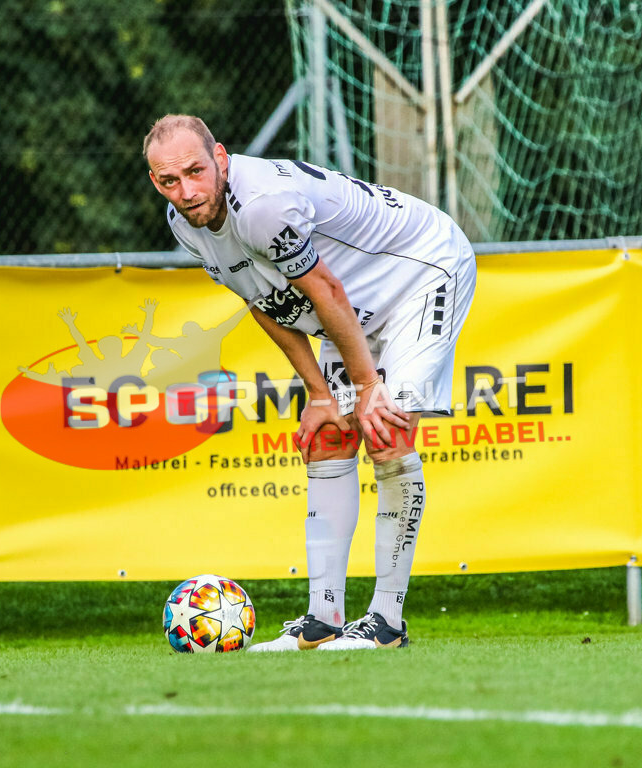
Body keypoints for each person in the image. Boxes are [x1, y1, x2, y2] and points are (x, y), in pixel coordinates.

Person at [143, 114, 476, 651]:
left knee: (386, 428)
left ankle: (387, 622)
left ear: (221, 158)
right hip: (347, 304)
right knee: (326, 437)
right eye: (169, 181)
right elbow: (265, 301)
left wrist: (367, 386)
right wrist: (320, 395)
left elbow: (323, 289)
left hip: (422, 270)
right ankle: (322, 623)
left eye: (195, 171)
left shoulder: (263, 208)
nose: (187, 191)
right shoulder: (185, 223)